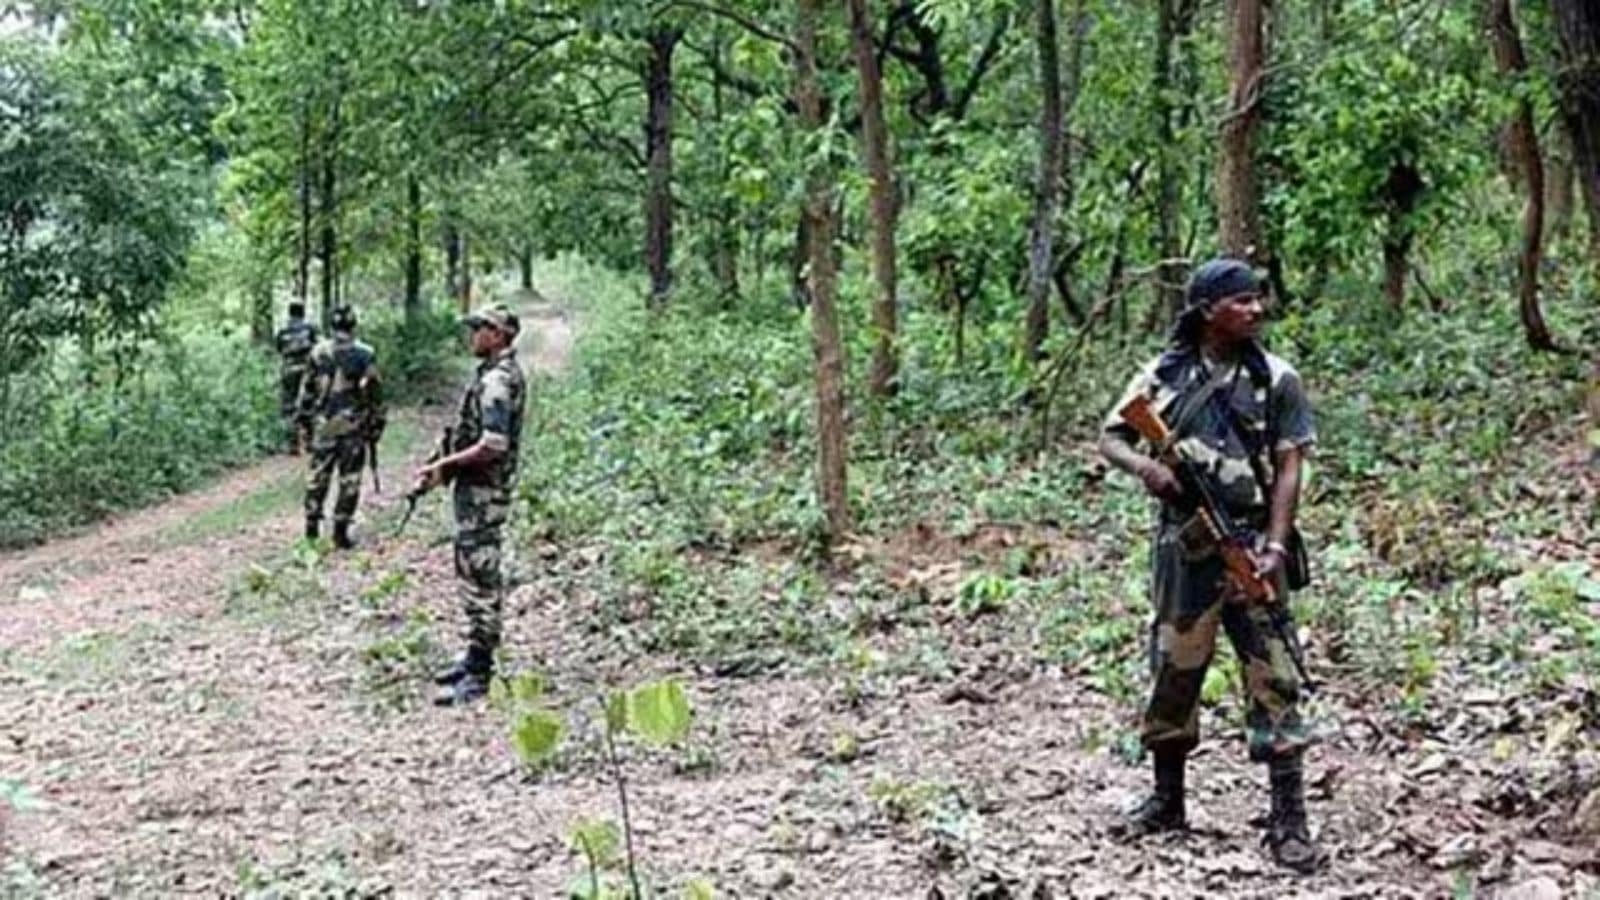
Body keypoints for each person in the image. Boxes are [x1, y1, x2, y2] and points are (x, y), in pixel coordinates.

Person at [1097, 257, 1321, 873]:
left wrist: (1275, 547)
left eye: (1257, 299)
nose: (1256, 309)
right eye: (1241, 301)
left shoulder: (1277, 379)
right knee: (1174, 671)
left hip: (1252, 545)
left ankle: (1289, 821)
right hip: (1185, 549)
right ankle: (1167, 801)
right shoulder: (1163, 376)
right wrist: (1147, 468)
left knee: (1275, 675)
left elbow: (1290, 468)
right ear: (1206, 311)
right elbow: (1111, 437)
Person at [411, 303, 526, 706]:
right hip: (476, 492)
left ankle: (481, 673)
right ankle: (475, 656)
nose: (473, 335)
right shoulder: (491, 374)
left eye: (480, 328)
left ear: (498, 334)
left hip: (484, 494)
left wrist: (446, 465)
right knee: (471, 573)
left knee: (480, 577)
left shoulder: (497, 380)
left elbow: (493, 444)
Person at [299, 305, 385, 549]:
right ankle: (340, 531)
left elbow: (307, 391)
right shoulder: (365, 354)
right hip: (352, 427)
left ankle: (311, 527)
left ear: (332, 326)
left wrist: (304, 421)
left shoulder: (318, 352)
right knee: (350, 479)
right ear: (353, 326)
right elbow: (375, 393)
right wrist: (377, 425)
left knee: (318, 476)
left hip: (324, 425)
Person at [273, 301, 318, 454]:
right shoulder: (309, 329)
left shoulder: (283, 331)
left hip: (289, 370)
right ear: (303, 313)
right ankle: (310, 441)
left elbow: (279, 350)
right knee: (309, 402)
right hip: (307, 369)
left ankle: (293, 443)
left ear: (290, 313)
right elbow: (316, 348)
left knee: (289, 405)